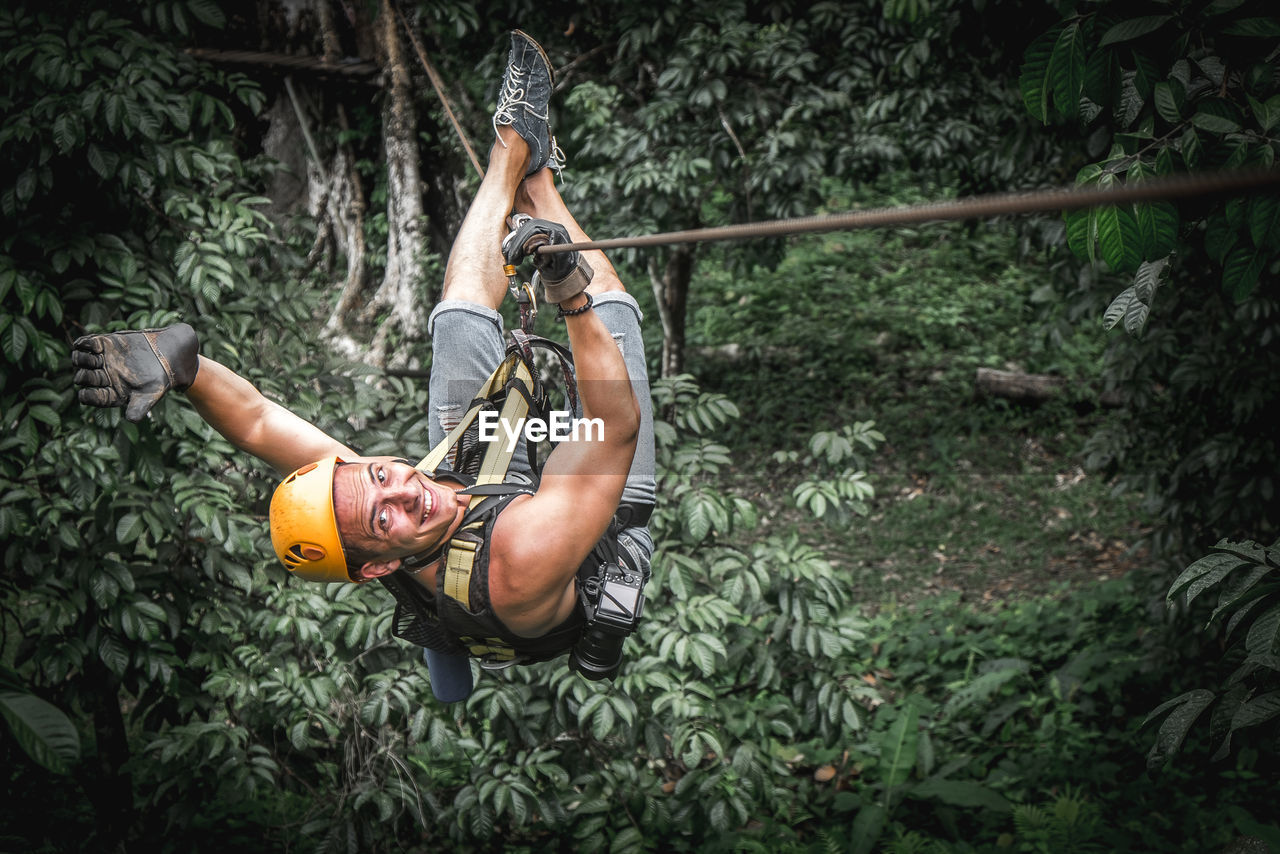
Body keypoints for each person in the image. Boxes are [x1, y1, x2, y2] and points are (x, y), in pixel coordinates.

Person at [71, 30, 656, 703]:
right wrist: (566, 287)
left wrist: (183, 366)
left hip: (480, 490)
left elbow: (261, 423)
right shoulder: (522, 561)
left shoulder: (373, 499)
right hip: (574, 528)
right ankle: (540, 185)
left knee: (463, 316)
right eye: (387, 519)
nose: (404, 489)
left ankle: (511, 149)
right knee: (609, 320)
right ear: (379, 566)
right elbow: (612, 424)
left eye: (380, 473)